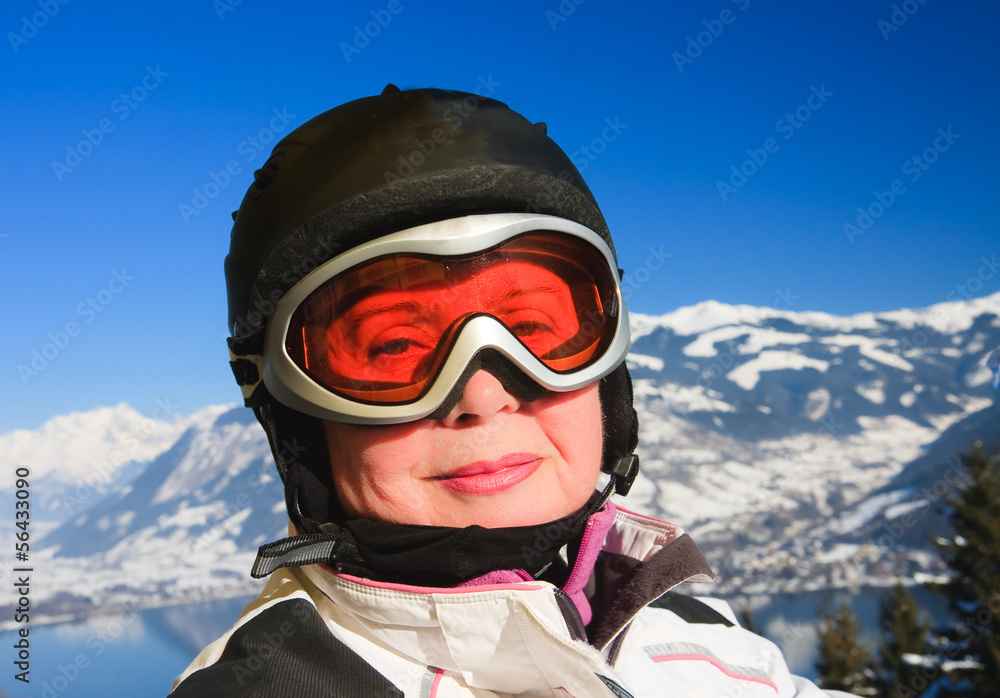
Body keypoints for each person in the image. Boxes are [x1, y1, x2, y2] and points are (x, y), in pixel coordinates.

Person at [170, 85, 850, 697]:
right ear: (296, 418)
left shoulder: (686, 632)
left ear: (607, 375)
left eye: (534, 328)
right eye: (397, 349)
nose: (484, 395)